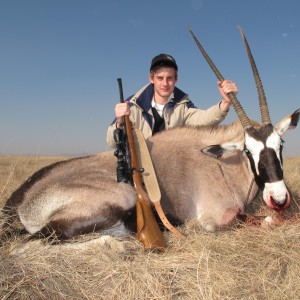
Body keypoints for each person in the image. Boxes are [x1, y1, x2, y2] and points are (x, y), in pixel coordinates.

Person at [106, 53, 238, 148]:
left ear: (176, 79)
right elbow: (112, 143)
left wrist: (225, 102)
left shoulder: (183, 104)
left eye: (169, 78)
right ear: (151, 78)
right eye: (160, 78)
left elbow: (204, 119)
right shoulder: (132, 105)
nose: (165, 83)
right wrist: (119, 122)